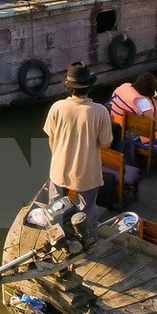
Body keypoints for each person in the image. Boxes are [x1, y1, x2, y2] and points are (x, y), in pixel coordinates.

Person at [43, 62, 113, 226]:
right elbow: (106, 144)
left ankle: (54, 237)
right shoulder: (100, 111)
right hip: (86, 173)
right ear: (89, 87)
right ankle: (85, 241)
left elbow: (51, 140)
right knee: (86, 211)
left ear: (69, 87)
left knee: (54, 211)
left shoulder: (57, 107)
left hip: (59, 169)